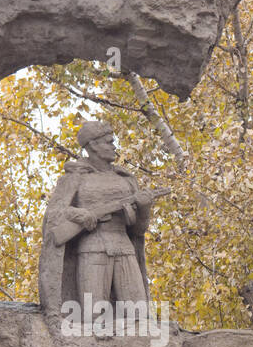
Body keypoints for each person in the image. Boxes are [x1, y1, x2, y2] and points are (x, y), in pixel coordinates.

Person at [37, 120, 169, 320]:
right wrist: (80, 214)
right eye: (109, 142)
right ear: (93, 145)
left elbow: (139, 230)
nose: (114, 147)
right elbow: (55, 214)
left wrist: (144, 207)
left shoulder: (125, 178)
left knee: (138, 316)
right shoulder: (75, 177)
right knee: (94, 317)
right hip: (92, 249)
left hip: (124, 248)